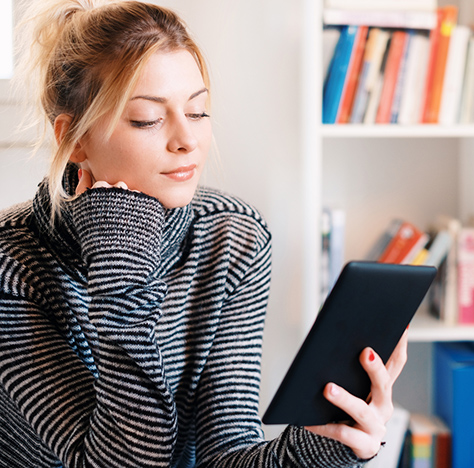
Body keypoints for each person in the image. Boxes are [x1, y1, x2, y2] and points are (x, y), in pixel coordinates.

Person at [0, 1, 408, 466]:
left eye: (197, 112)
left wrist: (323, 446)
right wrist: (120, 256)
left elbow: (224, 453)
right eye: (147, 119)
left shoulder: (233, 237)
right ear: (74, 140)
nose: (187, 140)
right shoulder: (11, 266)